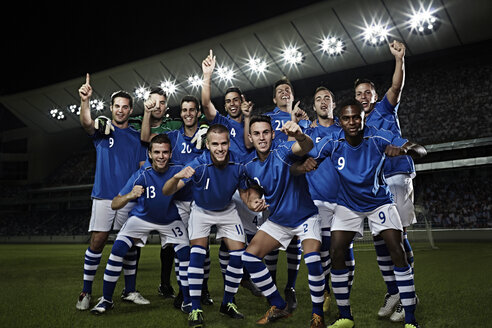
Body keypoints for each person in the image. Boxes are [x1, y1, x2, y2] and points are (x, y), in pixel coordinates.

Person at [311, 99, 425, 328]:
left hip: (379, 202)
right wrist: (301, 165)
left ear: (363, 118)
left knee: (397, 248)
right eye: (346, 118)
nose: (352, 122)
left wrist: (404, 149)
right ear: (340, 121)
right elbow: (306, 157)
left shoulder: (379, 136)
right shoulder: (333, 141)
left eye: (356, 117)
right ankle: (345, 317)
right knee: (336, 250)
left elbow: (421, 150)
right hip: (348, 204)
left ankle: (410, 319)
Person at [240, 115, 326, 328]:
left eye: (266, 132)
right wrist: (252, 203)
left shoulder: (282, 152)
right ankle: (279, 305)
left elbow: (304, 146)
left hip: (305, 216)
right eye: (257, 133)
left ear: (272, 134)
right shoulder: (249, 166)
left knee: (313, 259)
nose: (262, 138)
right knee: (249, 258)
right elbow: (248, 191)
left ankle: (318, 317)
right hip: (278, 220)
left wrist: (299, 134)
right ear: (250, 137)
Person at [90, 134, 191, 314]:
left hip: (169, 219)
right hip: (141, 217)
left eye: (165, 152)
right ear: (150, 154)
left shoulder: (178, 170)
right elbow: (115, 203)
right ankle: (106, 300)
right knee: (118, 249)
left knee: (185, 254)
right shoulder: (141, 175)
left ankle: (187, 300)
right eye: (157, 152)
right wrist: (130, 195)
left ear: (170, 154)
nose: (161, 156)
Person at [354, 40, 418, 322]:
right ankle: (393, 291)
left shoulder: (384, 109)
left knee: (399, 236)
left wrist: (399, 60)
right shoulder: (358, 126)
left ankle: (409, 295)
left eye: (368, 92)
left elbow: (396, 87)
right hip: (376, 186)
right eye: (359, 94)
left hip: (397, 175)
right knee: (381, 237)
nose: (363, 96)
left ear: (375, 95)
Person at [162, 124, 248, 328]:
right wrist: (176, 177)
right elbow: (166, 191)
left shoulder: (238, 163)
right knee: (197, 254)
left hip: (227, 209)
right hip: (201, 211)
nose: (220, 148)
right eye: (215, 144)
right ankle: (194, 309)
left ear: (229, 143)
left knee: (238, 255)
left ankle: (227, 303)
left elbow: (244, 192)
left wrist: (252, 202)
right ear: (207, 144)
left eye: (224, 143)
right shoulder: (198, 165)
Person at [75, 74, 147, 311]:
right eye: (117, 106)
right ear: (111, 108)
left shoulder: (137, 138)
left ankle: (130, 290)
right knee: (97, 241)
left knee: (130, 245)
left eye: (125, 107)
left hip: (128, 197)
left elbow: (140, 168)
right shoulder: (102, 130)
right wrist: (85, 101)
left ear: (130, 110)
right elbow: (86, 123)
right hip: (104, 195)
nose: (121, 110)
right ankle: (86, 291)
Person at [201, 49, 262, 297]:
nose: (231, 104)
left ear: (242, 100)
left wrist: (247, 118)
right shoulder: (223, 123)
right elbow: (206, 103)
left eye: (235, 100)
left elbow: (249, 144)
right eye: (227, 102)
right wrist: (207, 76)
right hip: (232, 184)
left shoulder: (252, 121)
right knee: (233, 235)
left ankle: (246, 278)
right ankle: (233, 284)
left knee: (255, 235)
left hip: (252, 181)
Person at [295, 87, 355, 315]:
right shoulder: (306, 132)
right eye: (318, 98)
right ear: (313, 106)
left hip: (344, 200)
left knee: (345, 252)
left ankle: (343, 297)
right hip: (317, 200)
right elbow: (289, 156)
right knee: (324, 251)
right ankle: (327, 291)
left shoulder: (345, 131)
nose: (322, 102)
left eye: (327, 98)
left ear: (333, 104)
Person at [259, 77, 311, 311]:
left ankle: (289, 287)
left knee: (295, 239)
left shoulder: (302, 117)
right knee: (271, 237)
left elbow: (306, 147)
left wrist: (301, 123)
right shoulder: (268, 120)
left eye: (288, 90)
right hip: (273, 184)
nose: (284, 93)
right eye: (280, 91)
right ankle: (270, 286)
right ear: (273, 98)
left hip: (297, 182)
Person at [130, 87, 181, 299]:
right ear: (146, 104)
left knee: (168, 240)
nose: (157, 106)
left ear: (167, 106)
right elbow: (143, 138)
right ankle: (130, 287)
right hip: (141, 187)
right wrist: (146, 114)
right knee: (135, 240)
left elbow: (148, 140)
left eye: (161, 103)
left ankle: (165, 284)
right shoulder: (134, 123)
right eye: (153, 102)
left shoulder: (175, 124)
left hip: (165, 186)